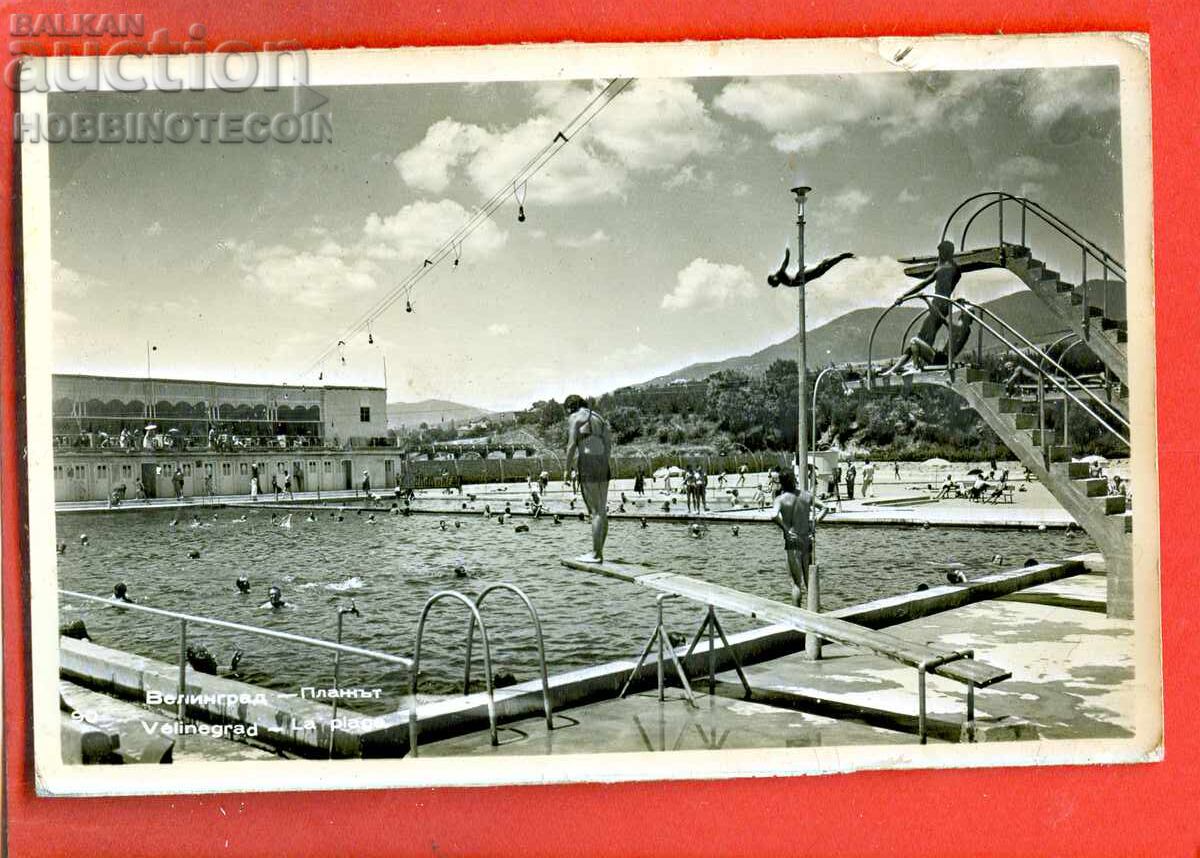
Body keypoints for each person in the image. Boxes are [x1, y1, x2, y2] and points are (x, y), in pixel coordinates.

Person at [888, 239, 962, 373]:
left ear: (945, 253)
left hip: (938, 304)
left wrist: (903, 296)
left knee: (918, 338)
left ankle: (911, 366)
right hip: (943, 305)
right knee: (925, 338)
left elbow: (923, 283)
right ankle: (901, 367)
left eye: (940, 253)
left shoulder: (945, 268)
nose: (939, 255)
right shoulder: (953, 268)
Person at [564, 395, 612, 563]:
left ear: (570, 407)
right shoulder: (599, 418)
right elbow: (608, 445)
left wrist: (566, 469)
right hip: (603, 463)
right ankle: (599, 551)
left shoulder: (575, 417)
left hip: (588, 463)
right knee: (601, 510)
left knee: (595, 511)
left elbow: (571, 446)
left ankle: (596, 554)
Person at [771, 470, 828, 607]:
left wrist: (785, 529)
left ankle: (797, 616)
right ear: (793, 480)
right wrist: (814, 522)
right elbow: (825, 508)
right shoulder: (806, 495)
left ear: (782, 482)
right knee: (810, 583)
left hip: (793, 542)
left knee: (796, 584)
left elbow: (773, 516)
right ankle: (814, 611)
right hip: (806, 539)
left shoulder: (780, 499)